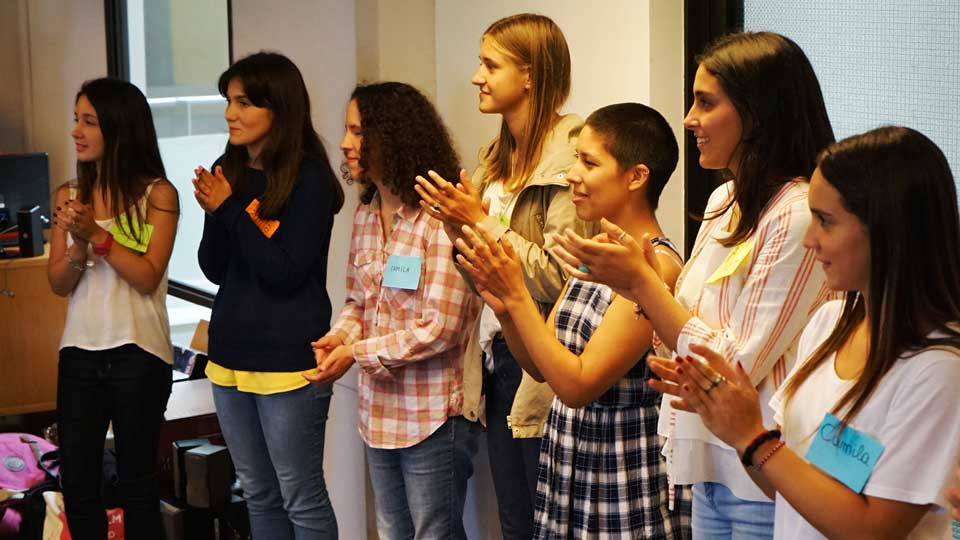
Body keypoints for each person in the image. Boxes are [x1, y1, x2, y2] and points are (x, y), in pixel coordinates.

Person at [552, 32, 835, 539]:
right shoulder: (724, 198)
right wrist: (651, 297)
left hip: (765, 476)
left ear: (758, 112)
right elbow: (670, 345)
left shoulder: (796, 213)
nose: (688, 119)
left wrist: (643, 285)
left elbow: (736, 368)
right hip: (705, 464)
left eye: (706, 102)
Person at [648, 126, 960, 539]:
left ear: (888, 230)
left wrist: (753, 437)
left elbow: (871, 530)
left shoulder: (937, 368)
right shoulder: (828, 324)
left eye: (826, 222)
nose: (810, 240)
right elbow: (789, 490)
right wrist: (732, 425)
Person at [455, 103, 691, 539]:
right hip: (573, 467)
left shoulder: (655, 266)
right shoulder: (596, 252)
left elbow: (578, 385)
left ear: (636, 176)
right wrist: (506, 306)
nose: (571, 175)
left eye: (588, 162)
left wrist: (516, 295)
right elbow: (541, 366)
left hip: (620, 479)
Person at [414, 14, 595, 537]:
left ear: (532, 74)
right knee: (515, 522)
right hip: (497, 358)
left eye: (490, 64)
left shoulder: (570, 157)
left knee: (545, 524)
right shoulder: (496, 158)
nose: (477, 77)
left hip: (543, 360)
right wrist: (458, 231)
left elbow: (561, 279)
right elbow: (486, 279)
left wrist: (476, 221)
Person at [309, 82, 480, 540]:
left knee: (434, 534)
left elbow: (441, 327)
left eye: (358, 132)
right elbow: (357, 302)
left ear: (395, 137)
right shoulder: (366, 213)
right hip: (377, 413)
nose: (346, 143)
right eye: (348, 131)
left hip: (432, 416)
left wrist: (357, 352)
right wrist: (340, 338)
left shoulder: (440, 216)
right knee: (390, 532)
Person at [195, 52, 343, 539]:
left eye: (242, 103)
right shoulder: (227, 169)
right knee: (257, 492)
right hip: (230, 354)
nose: (229, 114)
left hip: (287, 359)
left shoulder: (311, 179)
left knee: (299, 495)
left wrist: (230, 209)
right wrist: (220, 211)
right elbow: (213, 267)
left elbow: (285, 272)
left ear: (276, 109)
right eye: (228, 102)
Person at [48, 77, 179, 539]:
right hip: (79, 353)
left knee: (137, 482)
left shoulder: (157, 195)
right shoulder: (68, 194)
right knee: (79, 481)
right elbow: (59, 282)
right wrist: (78, 247)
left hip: (138, 353)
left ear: (119, 128)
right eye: (75, 120)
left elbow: (147, 275)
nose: (76, 132)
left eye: (88, 122)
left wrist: (98, 236)